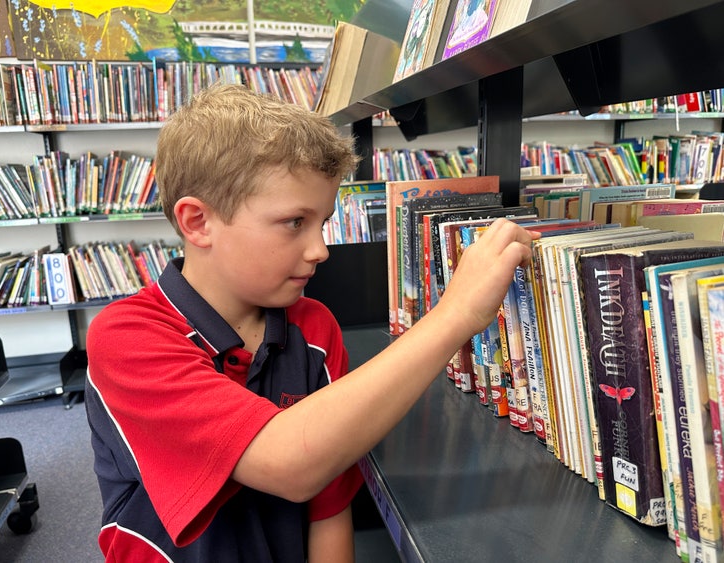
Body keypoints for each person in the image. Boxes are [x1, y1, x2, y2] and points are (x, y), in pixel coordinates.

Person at [85, 83, 539, 563]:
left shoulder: (315, 329)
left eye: (323, 222)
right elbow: (292, 463)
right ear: (198, 222)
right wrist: (457, 314)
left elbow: (327, 502)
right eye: (294, 222)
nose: (320, 249)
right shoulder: (127, 337)